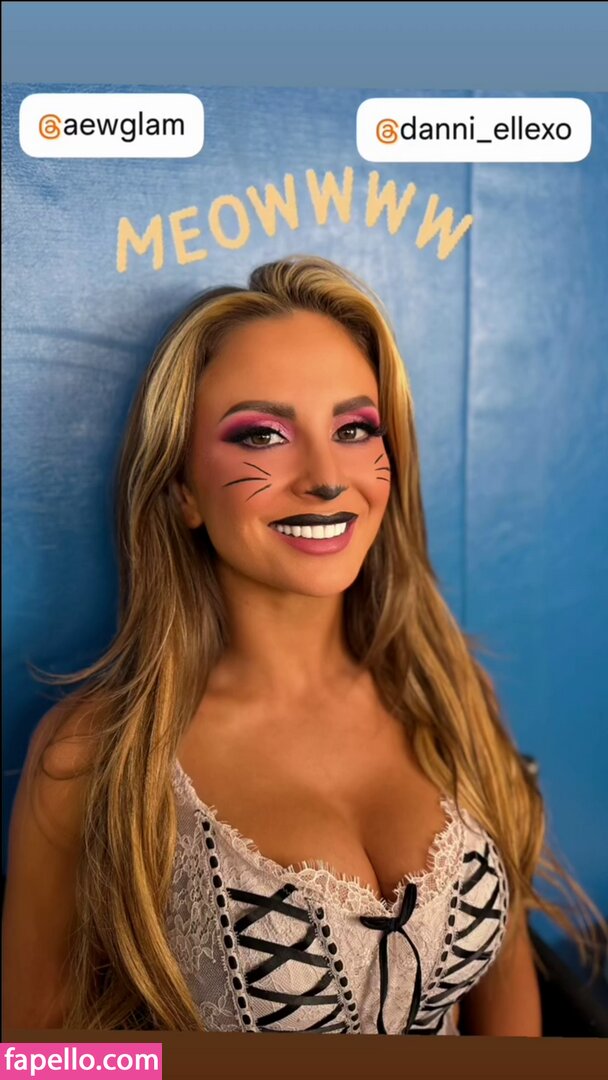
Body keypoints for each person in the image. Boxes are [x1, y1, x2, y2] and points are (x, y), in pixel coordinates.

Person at [2, 256, 603, 1034]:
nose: (325, 477)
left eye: (354, 430)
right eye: (263, 435)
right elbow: (41, 1053)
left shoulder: (451, 693)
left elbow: (507, 998)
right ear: (181, 489)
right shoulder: (96, 756)